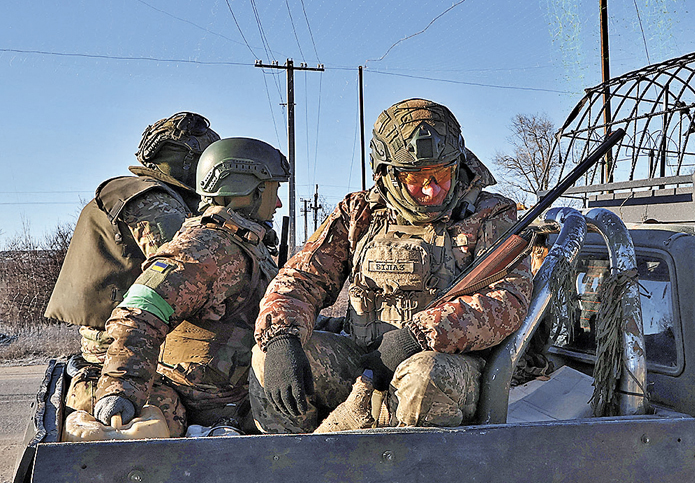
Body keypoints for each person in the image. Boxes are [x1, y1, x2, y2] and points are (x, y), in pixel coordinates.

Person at [252, 98, 533, 433]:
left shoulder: (490, 214)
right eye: (416, 178)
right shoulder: (360, 212)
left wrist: (416, 337)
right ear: (386, 173)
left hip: (448, 366)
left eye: (442, 174)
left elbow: (506, 300)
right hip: (365, 364)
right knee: (268, 357)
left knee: (423, 376)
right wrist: (283, 336)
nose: (431, 189)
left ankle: (407, 481)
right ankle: (293, 471)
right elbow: (301, 278)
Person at [90, 137, 289, 436]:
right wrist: (122, 387)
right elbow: (139, 311)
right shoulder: (204, 249)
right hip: (215, 405)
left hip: (241, 393)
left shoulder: (243, 243)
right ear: (247, 191)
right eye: (273, 190)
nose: (278, 203)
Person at [45, 112, 220, 415]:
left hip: (122, 338)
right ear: (191, 162)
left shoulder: (141, 194)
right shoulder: (153, 201)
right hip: (127, 345)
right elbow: (186, 273)